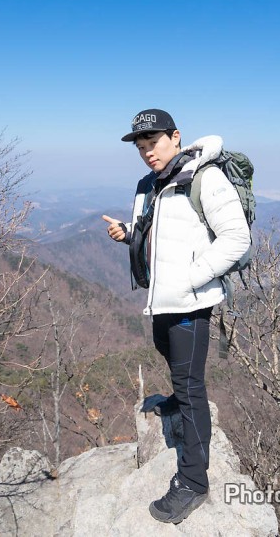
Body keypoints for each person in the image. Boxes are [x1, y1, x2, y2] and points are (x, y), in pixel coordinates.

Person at [102, 108, 250, 524]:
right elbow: (156, 238)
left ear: (176, 137)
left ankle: (193, 482)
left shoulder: (204, 178)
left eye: (154, 143)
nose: (148, 152)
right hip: (161, 301)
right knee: (168, 358)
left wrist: (189, 279)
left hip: (190, 303)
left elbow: (237, 238)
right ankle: (180, 404)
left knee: (190, 388)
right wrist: (127, 236)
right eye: (142, 147)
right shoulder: (149, 186)